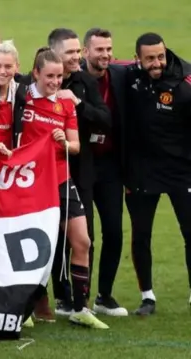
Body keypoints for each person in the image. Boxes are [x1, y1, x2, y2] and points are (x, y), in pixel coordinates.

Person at [22, 49, 108, 329]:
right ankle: (29, 304)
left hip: (61, 179)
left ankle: (80, 308)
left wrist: (63, 142)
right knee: (35, 246)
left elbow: (76, 146)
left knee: (82, 241)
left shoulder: (66, 105)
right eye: (50, 76)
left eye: (59, 76)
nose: (56, 82)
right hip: (31, 183)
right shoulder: (22, 98)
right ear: (35, 74)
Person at [45, 28, 112, 319]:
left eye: (77, 52)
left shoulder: (85, 82)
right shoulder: (38, 82)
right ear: (54, 53)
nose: (75, 58)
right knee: (54, 239)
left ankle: (81, 301)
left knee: (84, 237)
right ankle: (60, 297)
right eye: (69, 52)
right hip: (46, 174)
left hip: (80, 172)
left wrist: (79, 104)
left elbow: (105, 119)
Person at [124, 32, 191, 315]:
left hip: (181, 170)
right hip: (142, 170)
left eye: (160, 56)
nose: (156, 63)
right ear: (138, 58)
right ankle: (147, 297)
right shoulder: (129, 76)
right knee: (141, 234)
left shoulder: (186, 83)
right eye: (150, 58)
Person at [81, 28, 129, 317]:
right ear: (86, 52)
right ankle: (81, 299)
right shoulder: (75, 81)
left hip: (111, 165)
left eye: (109, 49)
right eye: (99, 50)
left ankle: (105, 296)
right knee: (85, 236)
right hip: (84, 165)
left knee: (113, 231)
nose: (105, 55)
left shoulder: (121, 76)